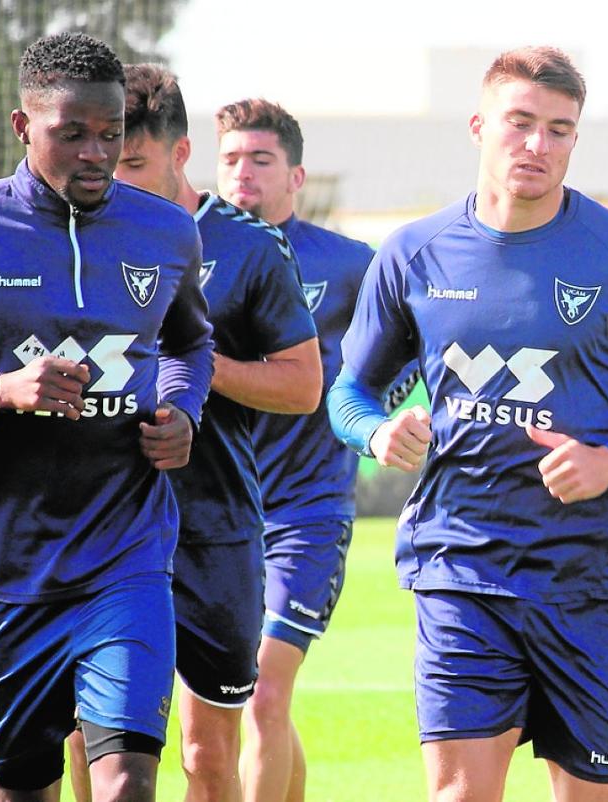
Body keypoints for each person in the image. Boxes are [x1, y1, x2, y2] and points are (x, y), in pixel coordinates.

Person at [328, 46, 608, 802]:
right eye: (520, 123)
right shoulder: (414, 253)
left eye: (559, 130)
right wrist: (377, 433)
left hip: (590, 582)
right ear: (480, 126)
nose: (538, 145)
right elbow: (351, 392)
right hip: (461, 571)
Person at [0, 32, 214, 802]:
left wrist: (182, 409)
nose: (95, 153)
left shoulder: (166, 232)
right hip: (8, 575)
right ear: (21, 128)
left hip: (128, 561)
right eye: (70, 134)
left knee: (125, 785)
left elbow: (191, 343)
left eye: (109, 135)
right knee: (24, 790)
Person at [111, 66, 322, 802]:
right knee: (97, 743)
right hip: (99, 524)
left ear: (180, 153)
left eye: (134, 162)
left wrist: (197, 366)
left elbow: (302, 385)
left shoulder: (250, 246)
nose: (118, 179)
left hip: (215, 530)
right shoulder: (74, 235)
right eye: (109, 160)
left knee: (207, 752)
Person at [212, 97, 411, 802]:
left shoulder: (350, 265)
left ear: (297, 178)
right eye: (231, 159)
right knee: (245, 697)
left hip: (308, 512)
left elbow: (403, 347)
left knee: (263, 690)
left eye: (261, 160)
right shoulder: (194, 259)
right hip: (218, 515)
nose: (244, 174)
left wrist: (369, 416)